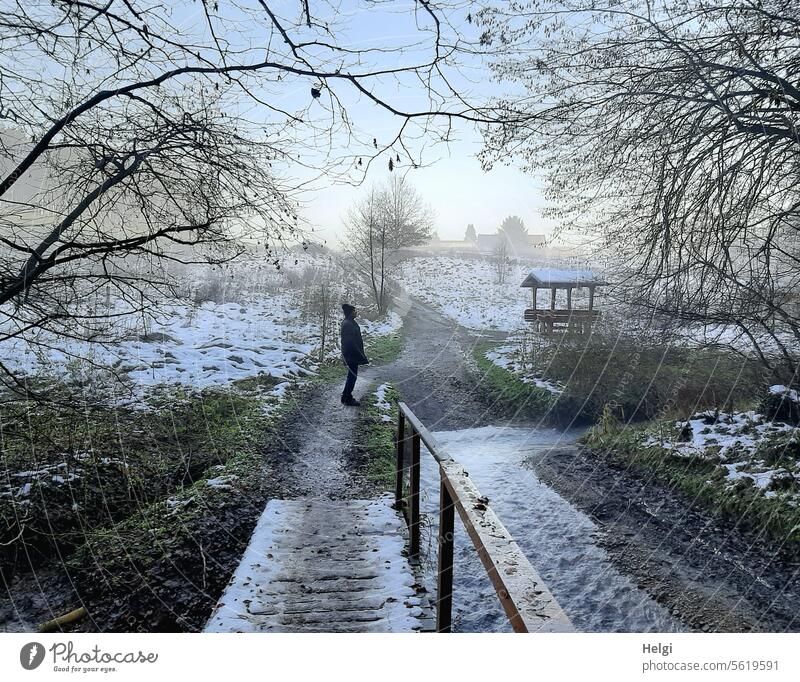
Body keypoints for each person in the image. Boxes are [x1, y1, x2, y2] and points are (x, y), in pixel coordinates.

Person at [340, 303, 368, 406]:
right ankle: (347, 397)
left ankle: (345, 396)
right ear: (350, 313)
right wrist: (359, 354)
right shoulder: (348, 324)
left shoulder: (349, 322)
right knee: (352, 377)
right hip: (351, 355)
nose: (356, 312)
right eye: (354, 311)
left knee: (351, 376)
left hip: (351, 354)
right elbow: (349, 342)